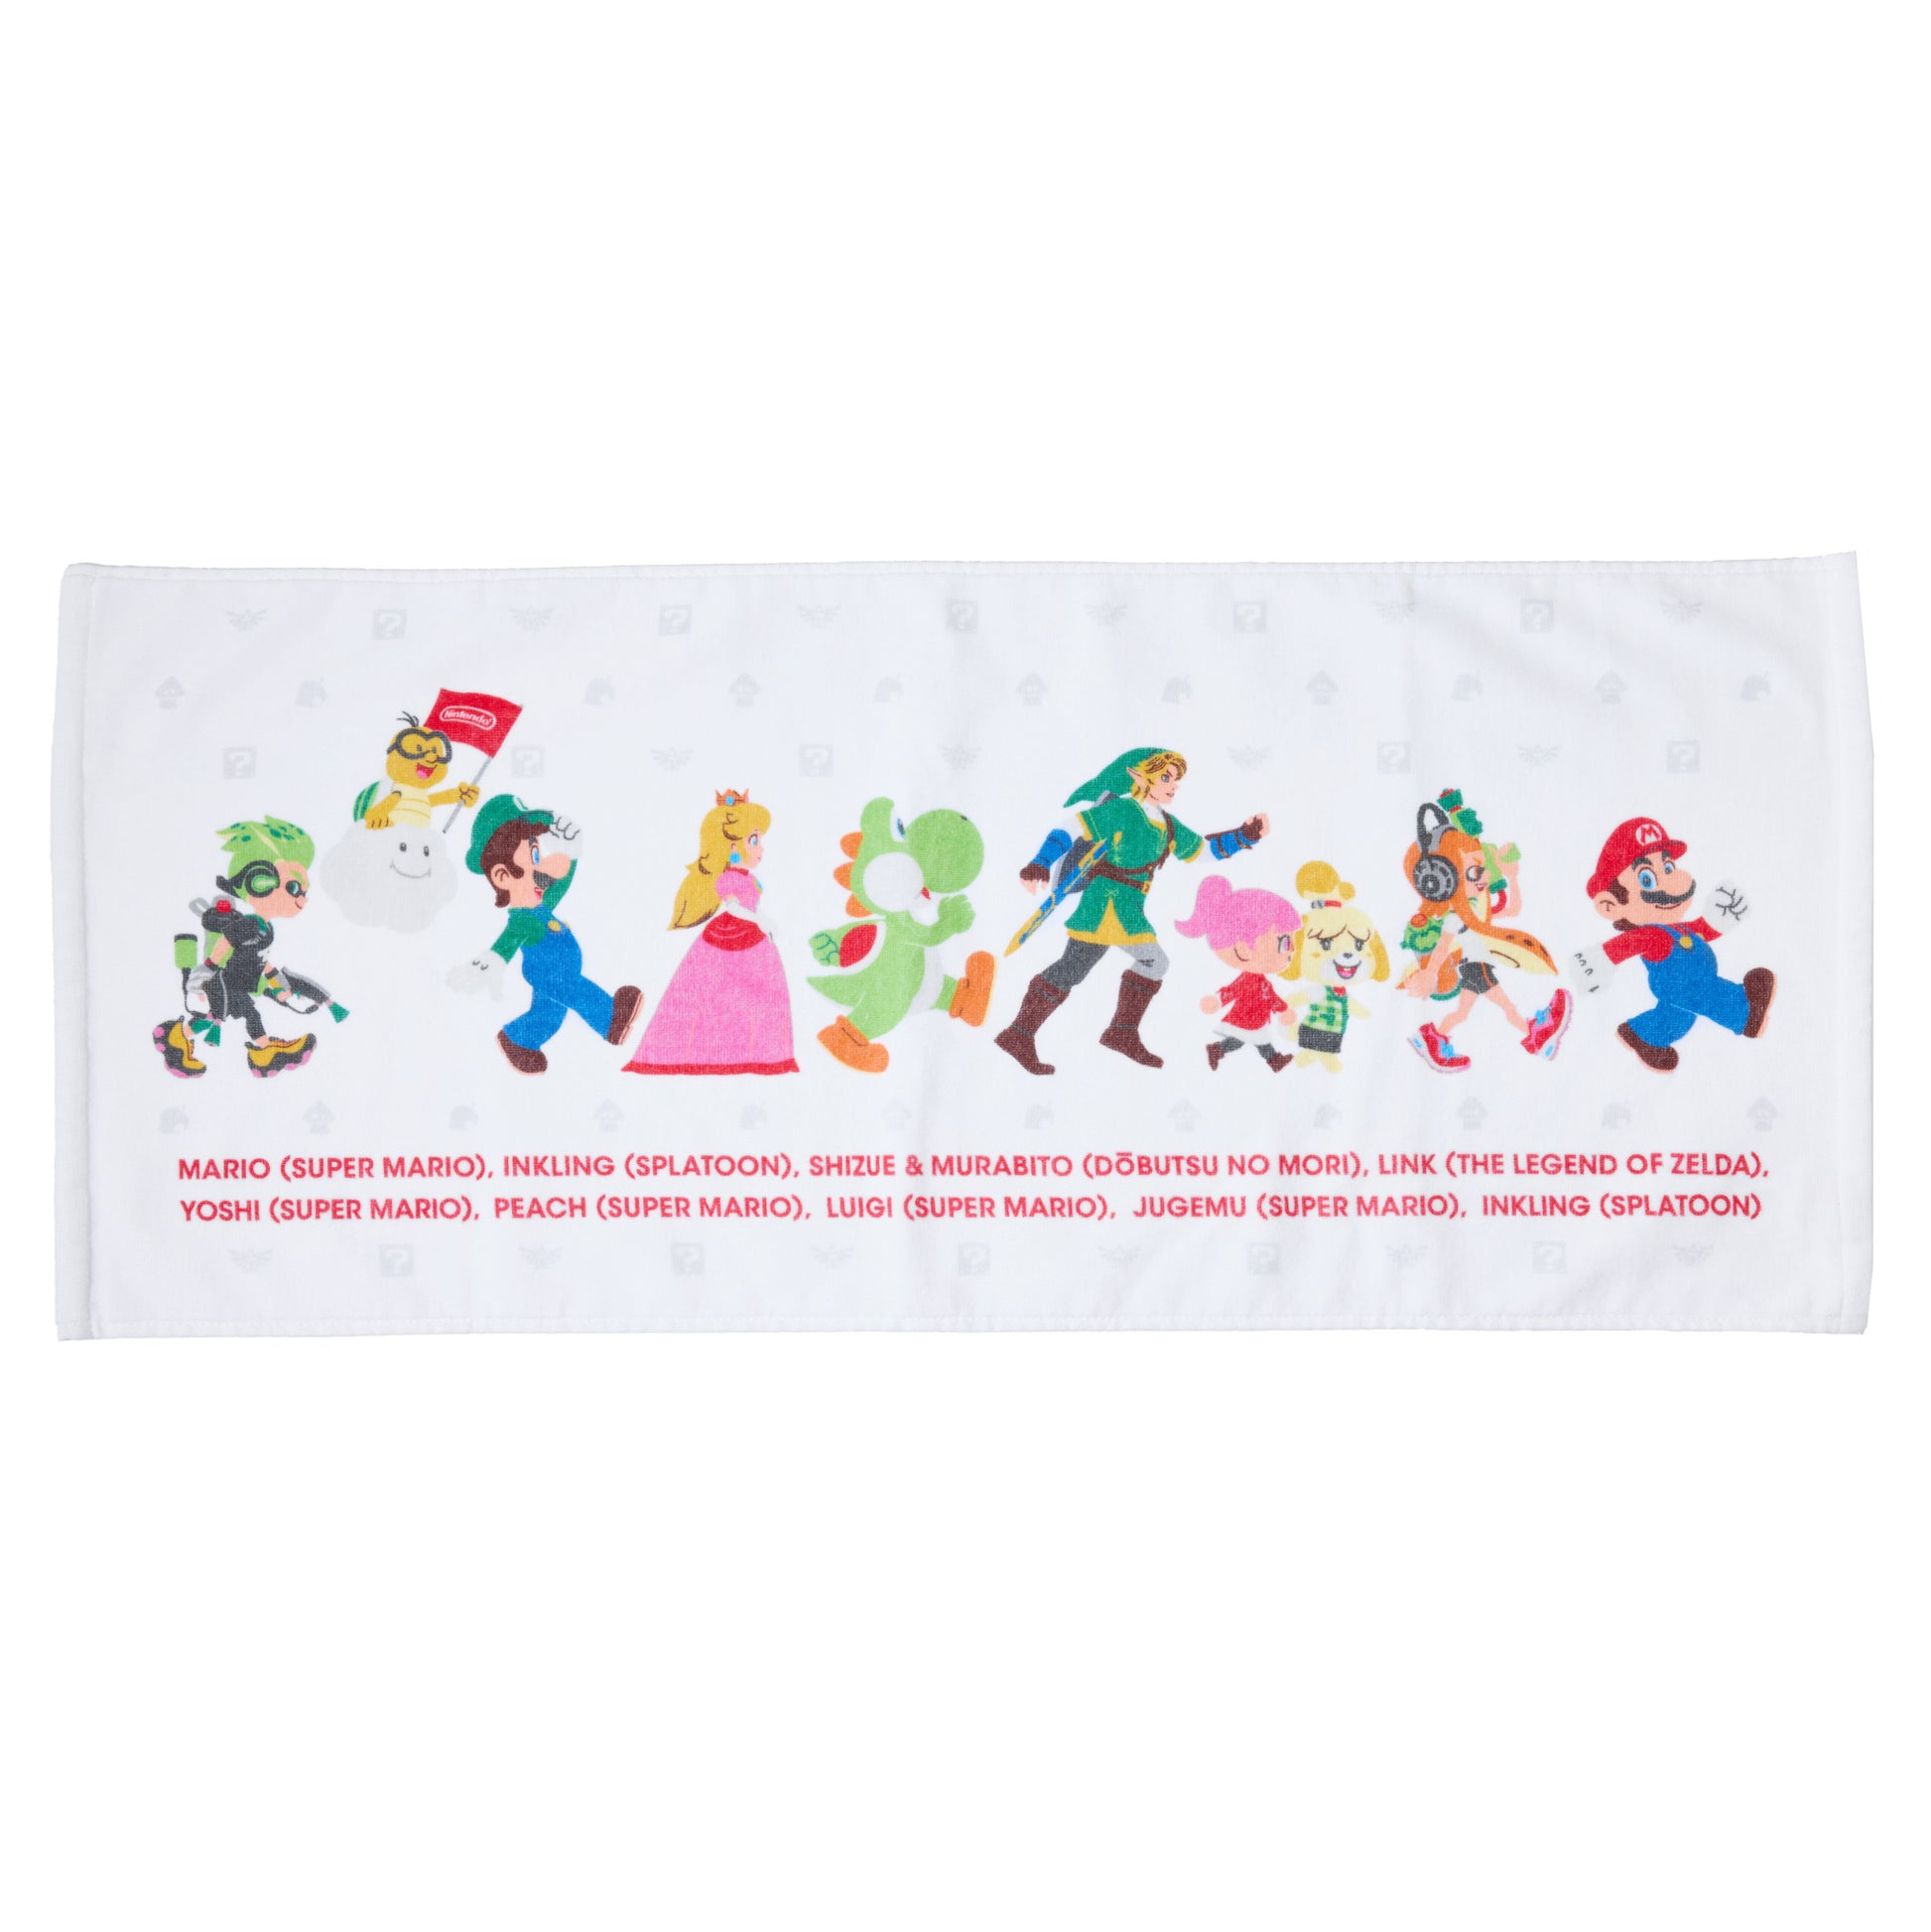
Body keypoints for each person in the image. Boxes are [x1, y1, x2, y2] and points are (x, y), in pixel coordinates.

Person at [994, 747, 1270, 1074]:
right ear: (1139, 777)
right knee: (1134, 963)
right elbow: (1070, 828)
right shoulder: (1124, 810)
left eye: (1176, 779)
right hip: (1106, 904)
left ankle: (1035, 1033)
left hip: (1129, 906)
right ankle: (1063, 1033)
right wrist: (1040, 863)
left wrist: (1244, 835)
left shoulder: (1167, 825)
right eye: (1165, 777)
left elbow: (1202, 850)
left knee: (1076, 967)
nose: (1173, 785)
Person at [451, 795, 641, 1074]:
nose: (542, 867)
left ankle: (519, 1039)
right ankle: (609, 1019)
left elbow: (559, 885)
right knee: (574, 990)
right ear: (503, 876)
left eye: (537, 854)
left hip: (550, 971)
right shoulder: (523, 919)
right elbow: (507, 942)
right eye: (533, 858)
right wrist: (491, 962)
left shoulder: (539, 906)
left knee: (549, 1014)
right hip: (548, 972)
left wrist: (570, 854)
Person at [627, 791, 799, 1076]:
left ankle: (755, 1053)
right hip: (726, 939)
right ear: (732, 846)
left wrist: (762, 921)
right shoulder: (728, 878)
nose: (761, 849)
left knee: (758, 997)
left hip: (754, 940)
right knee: (712, 995)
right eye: (754, 840)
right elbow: (734, 908)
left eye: (759, 841)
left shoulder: (750, 879)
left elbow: (751, 906)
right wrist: (761, 920)